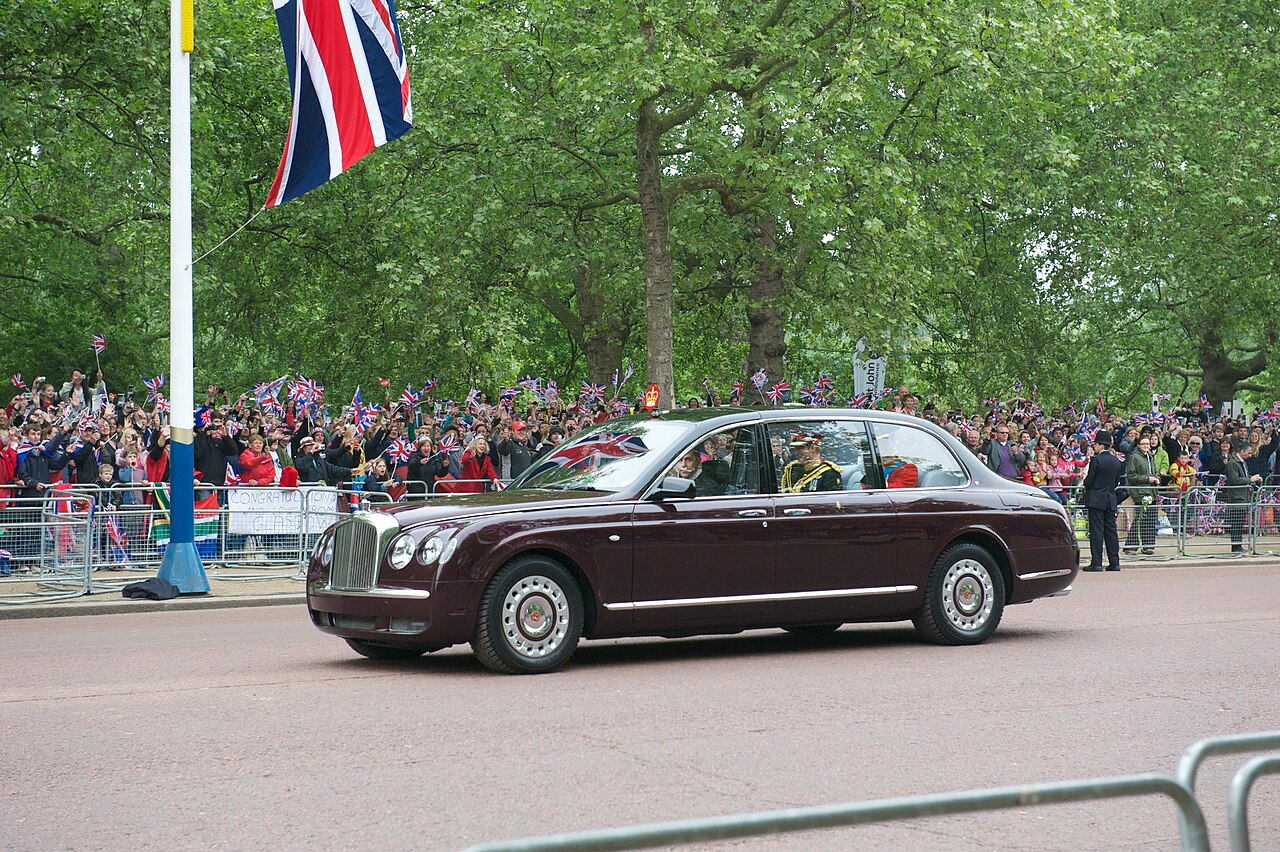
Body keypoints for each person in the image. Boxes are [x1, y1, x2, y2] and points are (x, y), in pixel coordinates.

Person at [1082, 431, 1124, 572]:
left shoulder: (1096, 460)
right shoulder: (1116, 461)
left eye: (1096, 444)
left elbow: (1089, 481)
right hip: (1110, 498)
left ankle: (1097, 562)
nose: (1094, 446)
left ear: (1101, 445)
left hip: (1096, 498)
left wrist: (1087, 486)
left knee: (1096, 531)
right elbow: (1116, 481)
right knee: (1111, 531)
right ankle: (1114, 562)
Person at [1124, 434, 1160, 554]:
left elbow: (1153, 472)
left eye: (1147, 444)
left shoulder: (1150, 457)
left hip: (1152, 492)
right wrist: (1146, 479)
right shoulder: (1134, 457)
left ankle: (1148, 546)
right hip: (1140, 493)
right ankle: (1131, 547)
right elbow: (1131, 476)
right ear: (1138, 445)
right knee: (1139, 520)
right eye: (1143, 444)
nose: (1146, 446)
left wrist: (1156, 478)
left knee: (1151, 520)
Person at [1223, 438, 1260, 553]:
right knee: (1236, 523)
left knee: (1240, 523)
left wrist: (1252, 479)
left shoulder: (1241, 462)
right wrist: (1250, 479)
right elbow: (1233, 480)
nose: (1250, 455)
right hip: (1236, 497)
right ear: (1242, 451)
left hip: (1243, 496)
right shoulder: (1233, 463)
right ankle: (1236, 547)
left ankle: (1238, 545)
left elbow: (1242, 478)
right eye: (1248, 453)